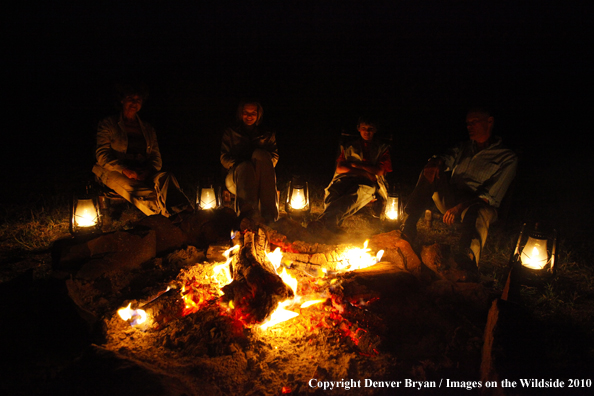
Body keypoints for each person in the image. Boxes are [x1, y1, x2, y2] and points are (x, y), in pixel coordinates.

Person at [402, 107, 518, 268]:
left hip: (478, 204)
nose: (469, 127)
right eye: (468, 123)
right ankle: (409, 225)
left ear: (490, 122)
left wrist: (458, 208)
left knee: (478, 211)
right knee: (431, 171)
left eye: (474, 122)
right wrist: (435, 162)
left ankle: (467, 260)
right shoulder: (463, 147)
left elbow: (488, 196)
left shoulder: (506, 157)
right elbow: (445, 158)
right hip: (452, 198)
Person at [92, 83, 192, 217]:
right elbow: (102, 155)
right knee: (139, 190)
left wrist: (148, 171)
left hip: (142, 170)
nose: (134, 103)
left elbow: (156, 156)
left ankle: (183, 211)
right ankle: (166, 216)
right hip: (115, 170)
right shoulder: (108, 124)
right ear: (122, 100)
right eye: (130, 99)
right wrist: (125, 170)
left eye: (138, 100)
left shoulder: (147, 128)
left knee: (166, 177)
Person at [315, 116, 392, 231]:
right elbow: (340, 169)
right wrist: (365, 172)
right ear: (358, 128)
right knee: (333, 191)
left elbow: (379, 171)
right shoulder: (349, 146)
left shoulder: (381, 148)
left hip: (368, 182)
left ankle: (324, 221)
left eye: (370, 128)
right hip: (347, 177)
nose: (367, 131)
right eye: (364, 128)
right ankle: (331, 225)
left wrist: (354, 165)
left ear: (375, 129)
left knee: (357, 193)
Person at [220, 100, 279, 223]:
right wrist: (242, 163)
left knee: (260, 154)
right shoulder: (231, 132)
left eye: (253, 113)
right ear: (240, 114)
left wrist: (257, 162)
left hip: (260, 175)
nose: (249, 116)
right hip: (236, 176)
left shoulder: (266, 134)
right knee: (246, 167)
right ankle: (248, 217)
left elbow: (274, 157)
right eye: (246, 113)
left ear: (258, 115)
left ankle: (269, 218)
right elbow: (224, 158)